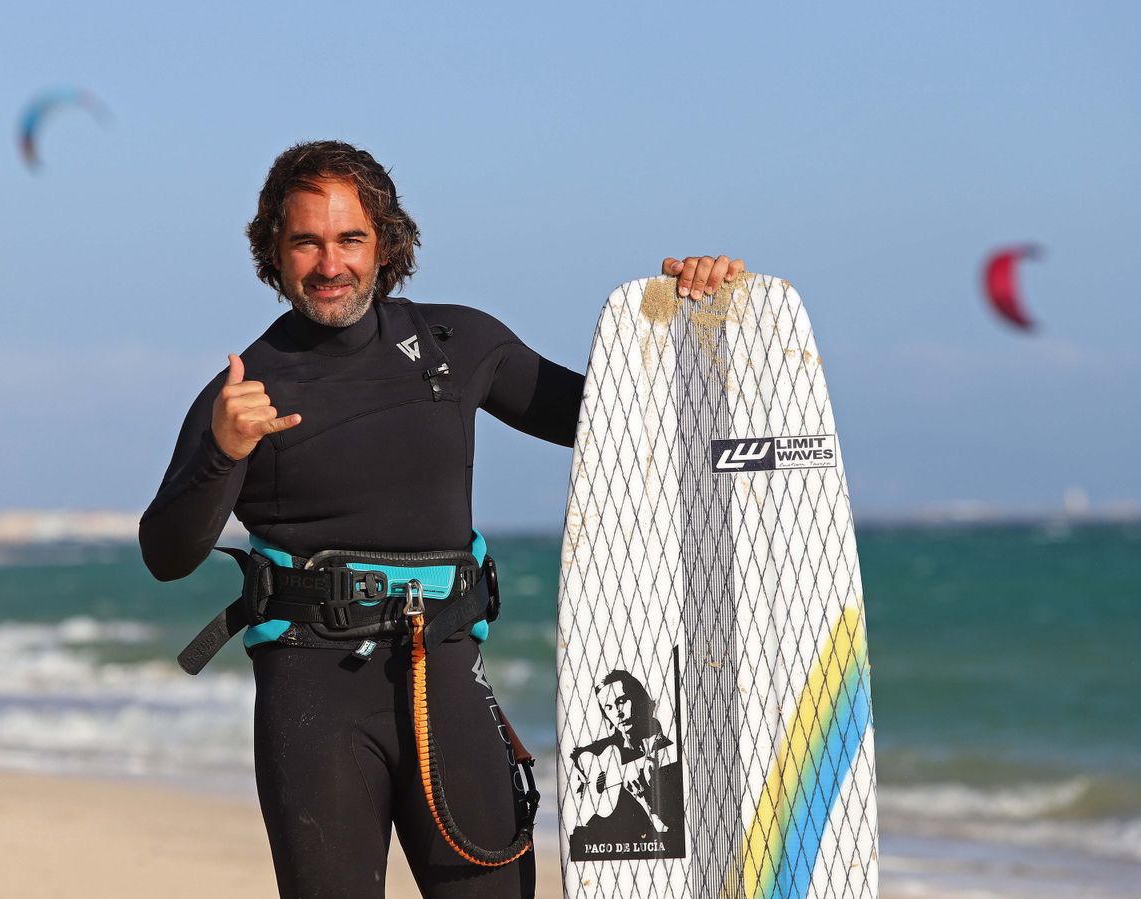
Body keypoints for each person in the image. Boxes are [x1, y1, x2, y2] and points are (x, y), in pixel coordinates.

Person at [140, 139, 741, 898]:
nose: (331, 264)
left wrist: (693, 316)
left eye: (351, 239)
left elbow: (615, 417)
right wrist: (224, 452)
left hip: (447, 679)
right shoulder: (244, 391)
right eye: (307, 242)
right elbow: (166, 551)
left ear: (385, 243)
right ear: (274, 250)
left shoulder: (460, 346)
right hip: (311, 701)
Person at [566, 671, 686, 859]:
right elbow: (578, 756)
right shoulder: (604, 747)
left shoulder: (668, 752)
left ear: (639, 699)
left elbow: (676, 832)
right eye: (608, 707)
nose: (618, 712)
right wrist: (581, 770)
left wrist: (646, 797)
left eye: (621, 701)